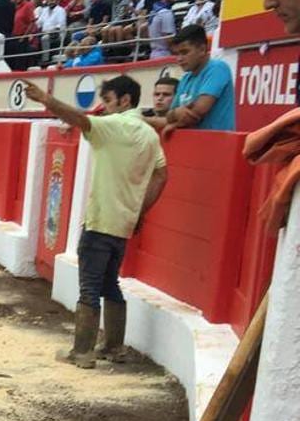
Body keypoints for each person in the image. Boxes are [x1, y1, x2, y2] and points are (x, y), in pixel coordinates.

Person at [24, 75, 167, 367]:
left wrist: (46, 99)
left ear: (125, 100)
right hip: (124, 223)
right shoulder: (150, 135)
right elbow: (162, 175)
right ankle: (114, 347)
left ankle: (83, 352)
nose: (103, 106)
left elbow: (79, 119)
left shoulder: (115, 126)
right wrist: (141, 211)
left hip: (101, 220)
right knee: (109, 283)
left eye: (108, 100)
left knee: (89, 286)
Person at [166, 24, 235, 133]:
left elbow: (197, 112)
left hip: (218, 145)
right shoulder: (185, 78)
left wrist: (174, 120)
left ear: (202, 49)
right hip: (194, 145)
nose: (179, 59)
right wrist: (175, 114)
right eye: (177, 54)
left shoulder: (218, 68)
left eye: (184, 52)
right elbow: (169, 115)